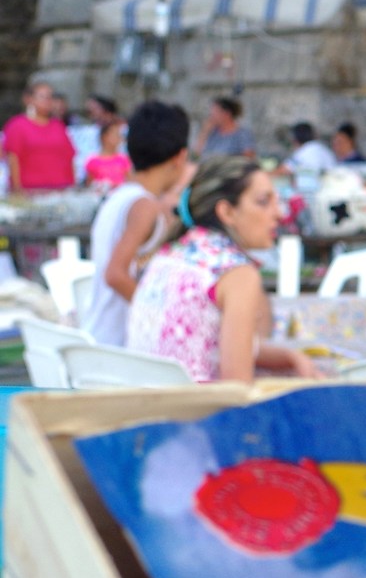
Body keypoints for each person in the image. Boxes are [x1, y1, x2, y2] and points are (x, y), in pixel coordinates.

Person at [128, 154, 319, 382]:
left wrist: (287, 356)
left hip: (148, 407)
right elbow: (236, 388)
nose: (279, 214)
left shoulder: (170, 253)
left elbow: (204, 345)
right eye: (263, 202)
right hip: (198, 413)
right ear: (227, 212)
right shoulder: (235, 272)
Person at [88, 101, 192, 346]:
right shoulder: (143, 206)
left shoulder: (119, 196)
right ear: (180, 157)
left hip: (100, 337)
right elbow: (115, 274)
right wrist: (162, 318)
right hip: (119, 346)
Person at [3, 82, 74, 192]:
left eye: (50, 97)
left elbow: (69, 156)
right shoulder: (17, 125)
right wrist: (17, 189)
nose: (48, 101)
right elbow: (13, 158)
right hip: (31, 190)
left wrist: (72, 185)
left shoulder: (58, 125)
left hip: (61, 189)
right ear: (28, 99)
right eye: (43, 97)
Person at [84, 114, 132, 188]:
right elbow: (89, 185)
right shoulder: (93, 161)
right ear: (104, 137)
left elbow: (130, 182)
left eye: (119, 135)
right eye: (115, 135)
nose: (119, 138)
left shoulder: (123, 159)